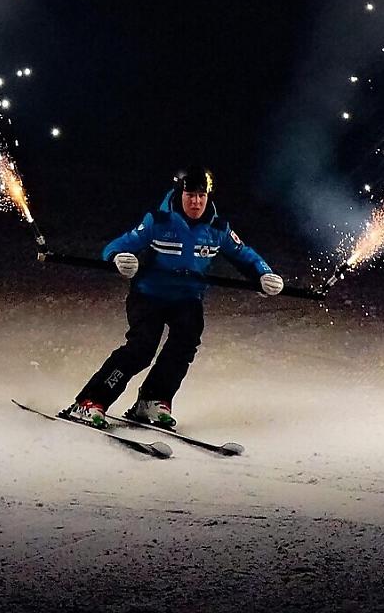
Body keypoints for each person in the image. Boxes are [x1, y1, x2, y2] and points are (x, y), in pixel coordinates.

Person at [64, 164, 284, 430]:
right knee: (141, 348)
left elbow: (245, 255)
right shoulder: (157, 221)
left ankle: (153, 399)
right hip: (149, 295)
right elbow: (117, 246)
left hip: (187, 298)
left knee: (184, 345)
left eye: (201, 196)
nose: (196, 202)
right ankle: (90, 401)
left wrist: (263, 274)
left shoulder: (218, 228)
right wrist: (120, 258)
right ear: (180, 194)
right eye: (190, 195)